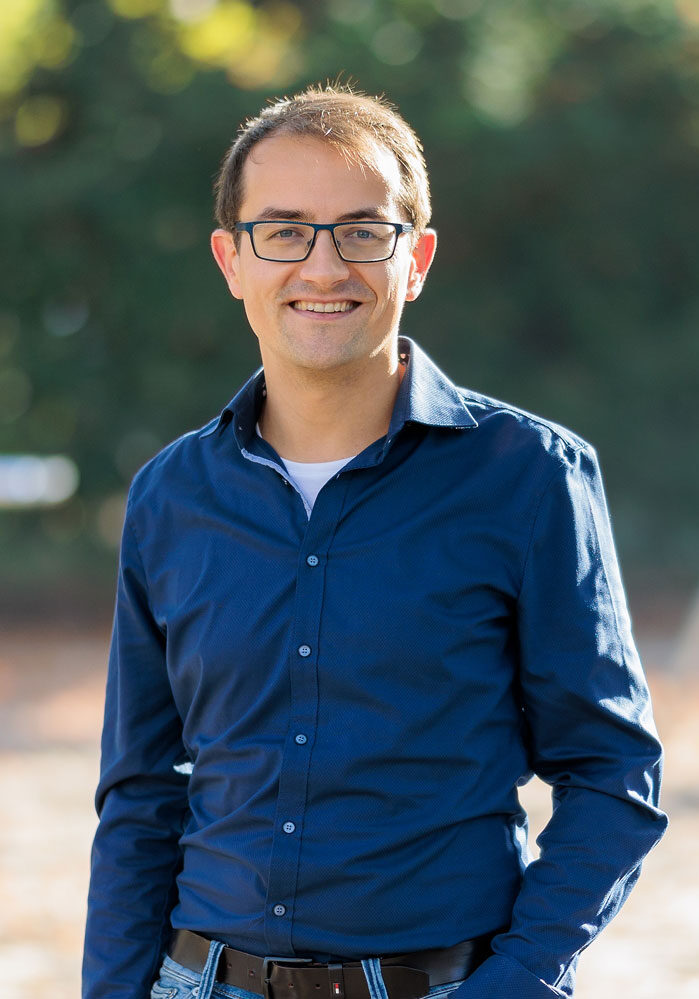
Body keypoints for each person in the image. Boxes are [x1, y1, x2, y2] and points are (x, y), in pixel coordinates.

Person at [83, 83, 667, 999]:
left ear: (418, 256)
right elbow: (141, 790)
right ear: (231, 259)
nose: (322, 267)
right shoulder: (171, 494)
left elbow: (611, 771)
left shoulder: (529, 476)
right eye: (283, 231)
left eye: (362, 230)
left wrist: (515, 982)